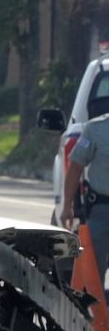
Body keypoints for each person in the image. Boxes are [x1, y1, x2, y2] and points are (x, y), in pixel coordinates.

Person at [62, 111, 109, 284]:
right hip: (102, 208)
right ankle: (92, 309)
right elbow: (75, 167)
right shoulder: (95, 129)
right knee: (92, 268)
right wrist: (68, 206)